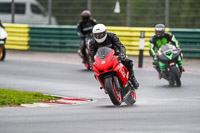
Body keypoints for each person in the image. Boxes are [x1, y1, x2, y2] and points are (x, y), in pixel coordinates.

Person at [89, 24, 139, 89]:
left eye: (100, 34)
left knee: (128, 62)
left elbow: (121, 46)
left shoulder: (112, 36)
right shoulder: (92, 42)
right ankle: (104, 84)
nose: (99, 36)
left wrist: (122, 54)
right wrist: (91, 63)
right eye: (97, 35)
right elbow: (91, 54)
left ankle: (132, 78)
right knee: (96, 73)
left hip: (116, 55)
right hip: (102, 59)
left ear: (105, 33)